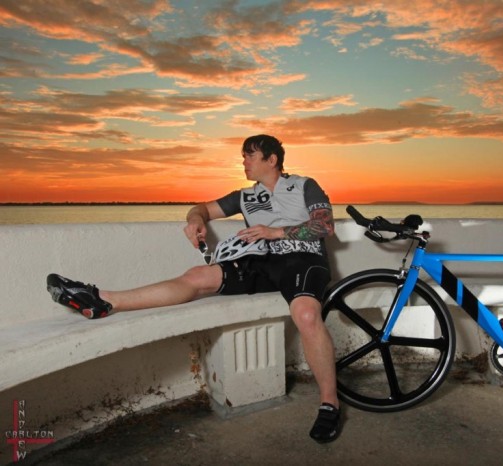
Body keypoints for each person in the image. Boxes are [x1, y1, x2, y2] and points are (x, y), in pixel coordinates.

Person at [46, 134, 341, 443]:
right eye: (243, 156)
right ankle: (104, 300)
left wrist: (274, 231)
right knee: (198, 276)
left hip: (303, 258)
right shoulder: (243, 196)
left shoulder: (304, 185)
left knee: (306, 314)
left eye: (250, 156)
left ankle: (329, 403)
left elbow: (324, 225)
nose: (243, 162)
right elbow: (201, 208)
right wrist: (195, 221)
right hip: (260, 260)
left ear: (272, 159)